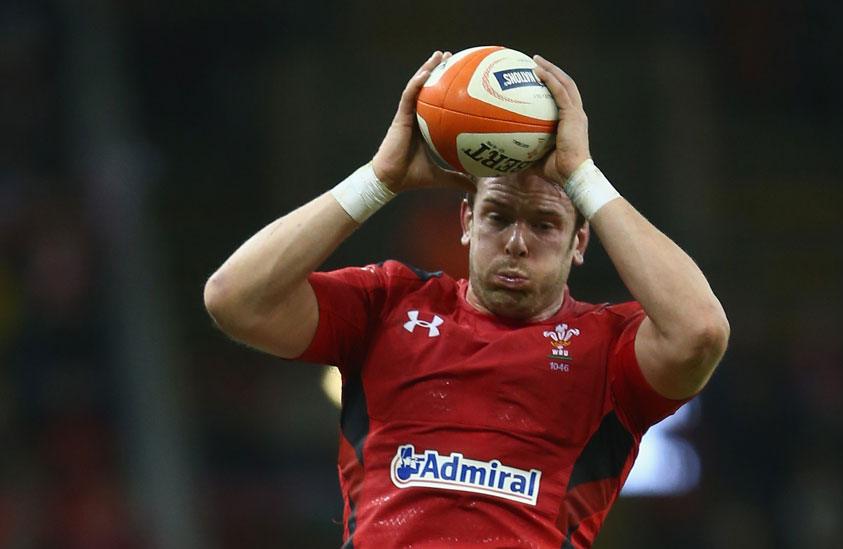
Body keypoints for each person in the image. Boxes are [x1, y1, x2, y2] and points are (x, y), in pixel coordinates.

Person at [204, 50, 729, 548]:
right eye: (498, 217)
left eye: (546, 224)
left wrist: (583, 176)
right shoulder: (388, 305)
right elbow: (236, 299)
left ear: (581, 242)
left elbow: (700, 332)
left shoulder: (609, 350)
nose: (517, 243)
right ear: (466, 222)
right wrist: (378, 181)